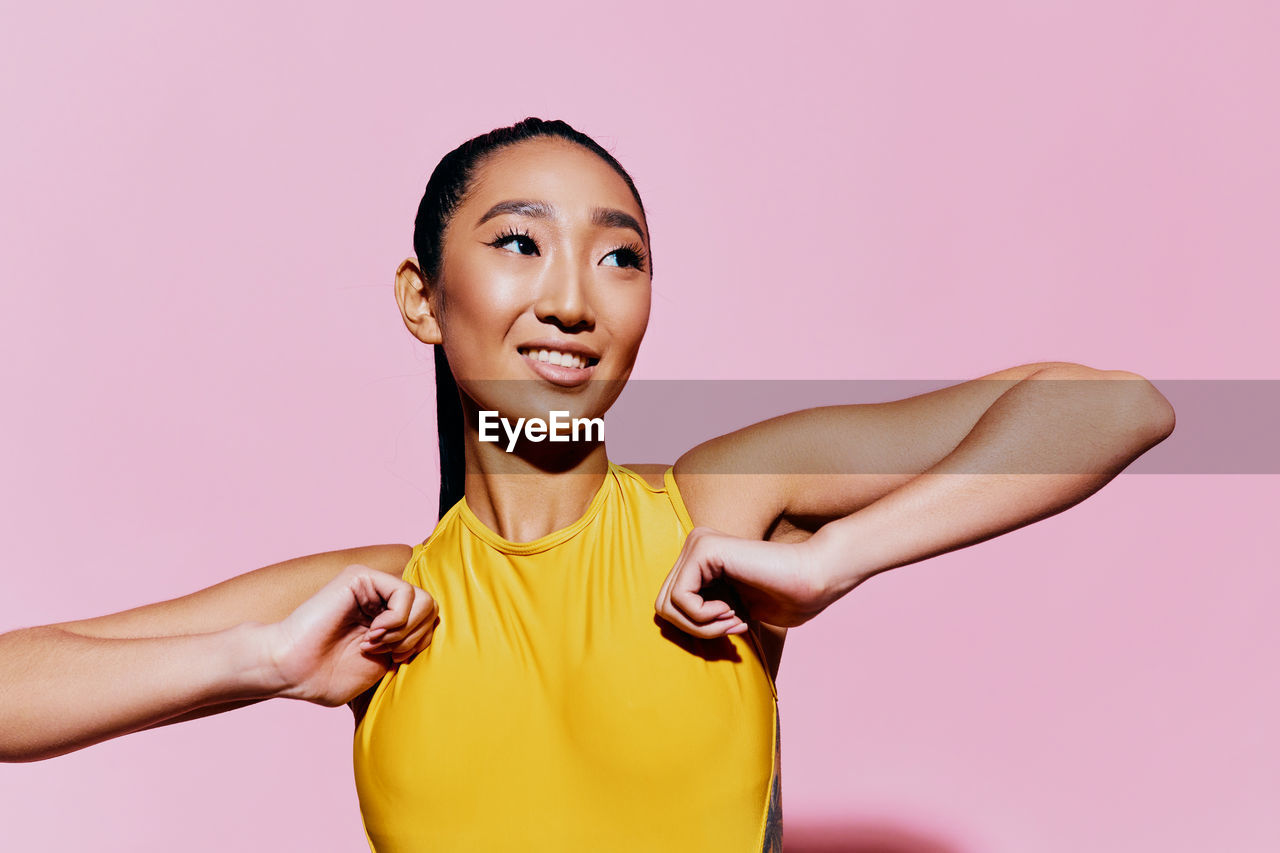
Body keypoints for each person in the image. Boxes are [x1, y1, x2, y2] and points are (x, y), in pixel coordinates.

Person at [0, 117, 1176, 852]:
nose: (574, 297)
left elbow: (1112, 403)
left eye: (620, 255)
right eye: (520, 242)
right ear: (422, 299)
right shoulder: (379, 608)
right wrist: (251, 660)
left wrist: (830, 558)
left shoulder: (715, 507)